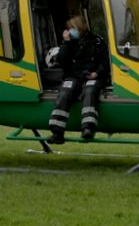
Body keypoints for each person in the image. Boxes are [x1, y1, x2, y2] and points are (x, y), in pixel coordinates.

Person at [47, 13, 110, 144]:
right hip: (73, 76)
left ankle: (88, 128)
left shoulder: (97, 42)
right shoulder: (69, 43)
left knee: (90, 90)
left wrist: (96, 73)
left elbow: (105, 62)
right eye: (69, 28)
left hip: (92, 76)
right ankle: (57, 132)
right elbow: (62, 60)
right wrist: (66, 42)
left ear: (81, 28)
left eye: (73, 28)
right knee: (65, 91)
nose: (71, 31)